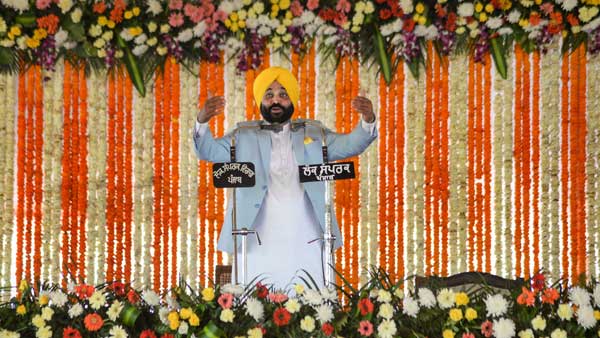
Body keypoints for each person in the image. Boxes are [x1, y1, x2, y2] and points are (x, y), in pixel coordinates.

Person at [193, 66, 377, 290]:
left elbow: (351, 144)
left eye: (283, 94)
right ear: (261, 101)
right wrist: (202, 122)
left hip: (307, 234)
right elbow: (208, 151)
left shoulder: (315, 133)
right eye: (269, 95)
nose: (276, 100)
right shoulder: (242, 136)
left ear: (292, 100)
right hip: (256, 235)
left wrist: (368, 119)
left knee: (312, 299)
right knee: (256, 304)